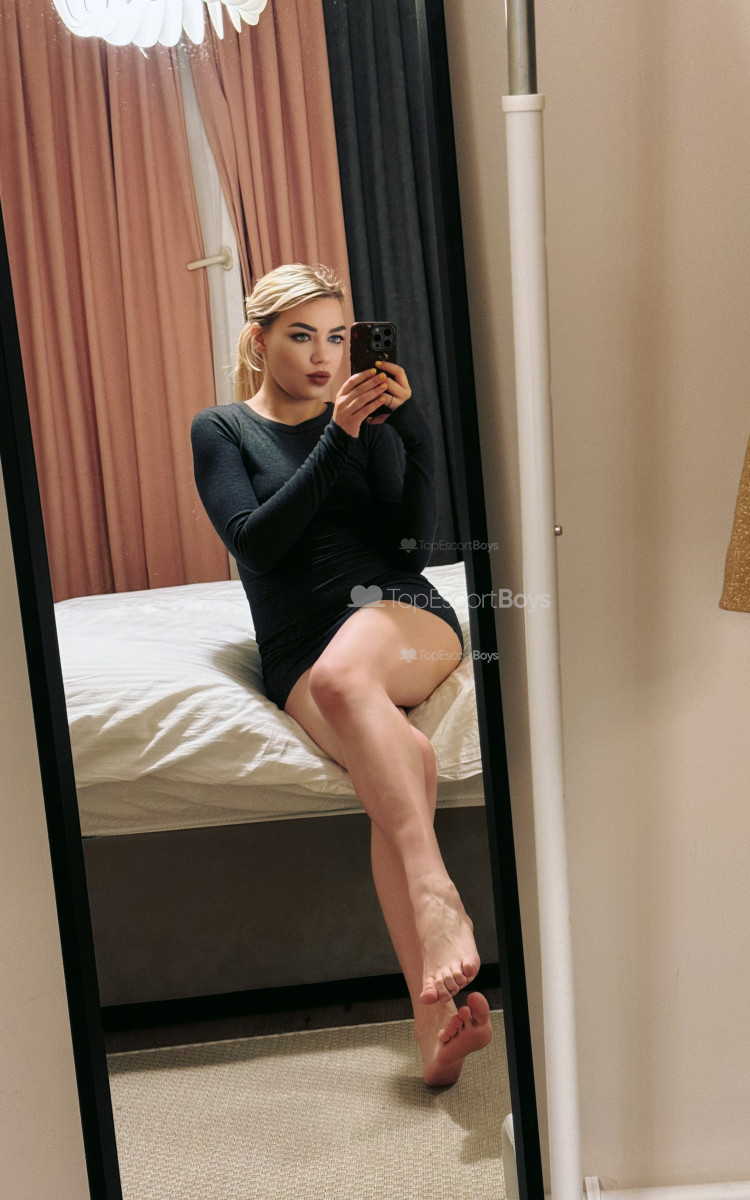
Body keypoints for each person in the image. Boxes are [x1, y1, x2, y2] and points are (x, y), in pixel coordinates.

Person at [190, 263, 492, 1086]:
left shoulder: (366, 423)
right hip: (298, 646)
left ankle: (435, 896)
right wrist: (338, 439)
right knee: (403, 757)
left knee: (344, 682)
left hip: (399, 613)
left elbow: (407, 549)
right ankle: (433, 1028)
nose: (324, 357)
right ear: (260, 342)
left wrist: (411, 433)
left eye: (334, 337)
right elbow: (255, 543)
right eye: (301, 336)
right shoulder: (222, 430)